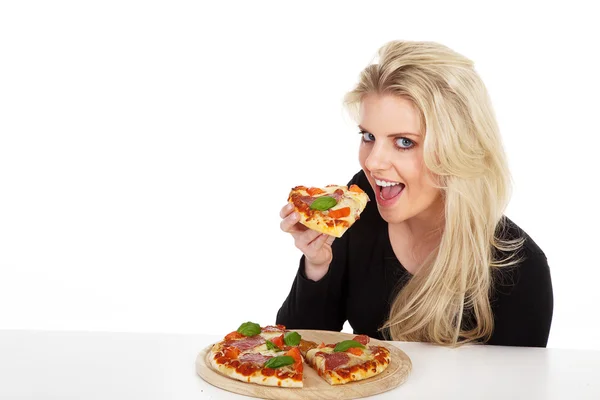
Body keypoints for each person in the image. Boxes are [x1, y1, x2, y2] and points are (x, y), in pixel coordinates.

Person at [276, 40, 553, 348]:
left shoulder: (521, 269)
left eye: (404, 142)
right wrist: (318, 265)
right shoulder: (357, 206)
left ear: (457, 150)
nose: (372, 162)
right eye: (368, 136)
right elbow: (293, 350)